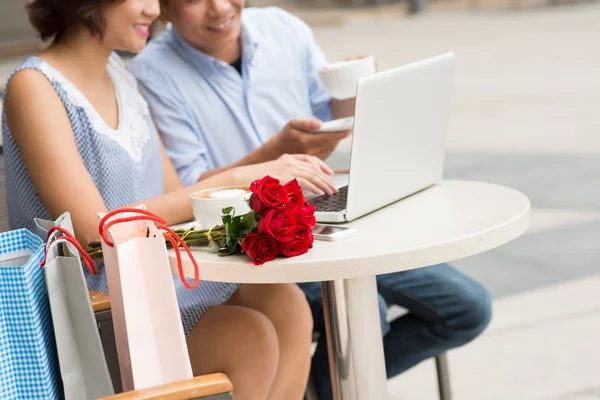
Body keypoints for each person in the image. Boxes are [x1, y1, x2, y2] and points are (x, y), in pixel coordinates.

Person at [129, 1, 494, 398]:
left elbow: (328, 116)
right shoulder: (151, 74)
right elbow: (188, 192)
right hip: (258, 244)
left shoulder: (283, 28)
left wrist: (358, 93)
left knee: (469, 308)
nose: (218, 8)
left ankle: (316, 388)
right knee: (368, 316)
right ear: (161, 10)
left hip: (326, 211)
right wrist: (272, 156)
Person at [0, 1, 342, 399]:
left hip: (153, 284)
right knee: (247, 338)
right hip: (95, 312)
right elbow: (95, 235)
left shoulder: (120, 77)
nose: (154, 9)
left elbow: (175, 198)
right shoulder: (34, 87)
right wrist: (238, 178)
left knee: (286, 304)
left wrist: (263, 171)